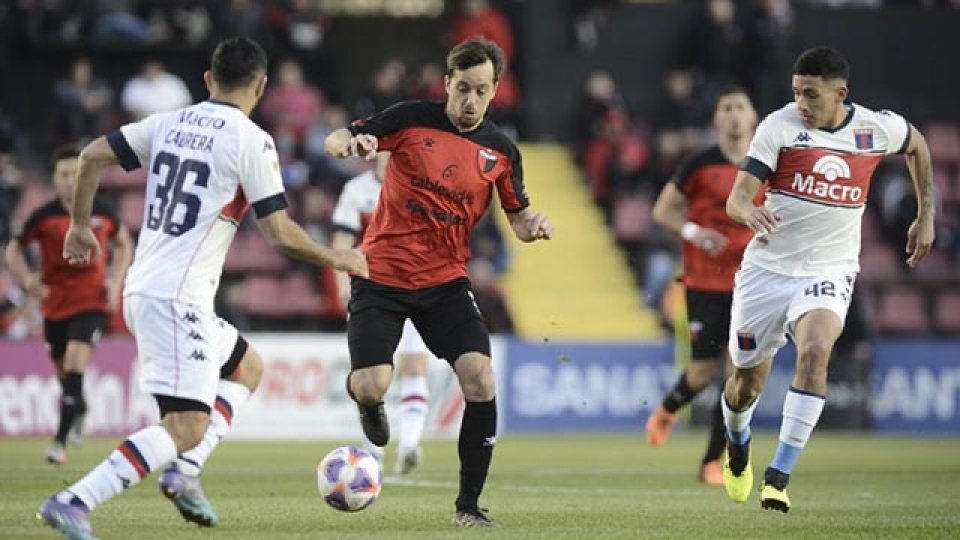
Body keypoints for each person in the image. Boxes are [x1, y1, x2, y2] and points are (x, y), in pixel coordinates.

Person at [38, 37, 366, 540]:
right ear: (261, 86)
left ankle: (185, 472)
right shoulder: (251, 139)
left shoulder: (168, 122)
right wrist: (337, 256)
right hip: (175, 297)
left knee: (247, 367)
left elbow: (89, 156)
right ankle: (75, 500)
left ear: (209, 80)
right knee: (185, 425)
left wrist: (80, 226)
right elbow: (279, 233)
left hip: (152, 287)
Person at [324, 37, 553, 528]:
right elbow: (337, 137)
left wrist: (533, 227)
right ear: (447, 83)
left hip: (445, 281)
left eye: (482, 91)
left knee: (481, 379)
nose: (471, 101)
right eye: (463, 88)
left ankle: (469, 505)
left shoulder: (502, 152)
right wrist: (350, 142)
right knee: (371, 384)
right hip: (380, 274)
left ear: (495, 92)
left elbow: (518, 217)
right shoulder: (409, 118)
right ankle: (369, 405)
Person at [721, 47, 935, 512]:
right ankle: (737, 446)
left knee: (816, 351)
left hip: (828, 270)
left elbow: (917, 144)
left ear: (841, 93)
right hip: (767, 272)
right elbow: (736, 199)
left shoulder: (874, 129)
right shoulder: (778, 126)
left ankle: (778, 476)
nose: (801, 102)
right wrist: (749, 212)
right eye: (796, 92)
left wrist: (926, 215)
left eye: (811, 94)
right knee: (743, 387)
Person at [645, 86, 759, 486]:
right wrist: (695, 232)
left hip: (750, 284)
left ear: (753, 118)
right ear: (716, 119)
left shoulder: (766, 166)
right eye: (725, 107)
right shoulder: (699, 164)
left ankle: (714, 460)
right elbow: (662, 211)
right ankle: (667, 409)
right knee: (702, 373)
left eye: (739, 107)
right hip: (704, 282)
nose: (732, 114)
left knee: (737, 375)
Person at [5, 144, 133, 465]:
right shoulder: (43, 216)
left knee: (76, 364)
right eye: (64, 174)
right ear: (54, 178)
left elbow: (123, 242)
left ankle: (59, 442)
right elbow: (13, 250)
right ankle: (81, 407)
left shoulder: (103, 211)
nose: (71, 180)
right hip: (54, 304)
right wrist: (29, 280)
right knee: (64, 372)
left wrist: (115, 279)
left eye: (76, 173)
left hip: (91, 302)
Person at [330, 152, 432, 475]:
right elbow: (343, 239)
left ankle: (409, 445)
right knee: (372, 377)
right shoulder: (357, 191)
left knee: (415, 365)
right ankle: (373, 452)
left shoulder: (418, 189)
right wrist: (341, 282)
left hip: (416, 286)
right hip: (372, 292)